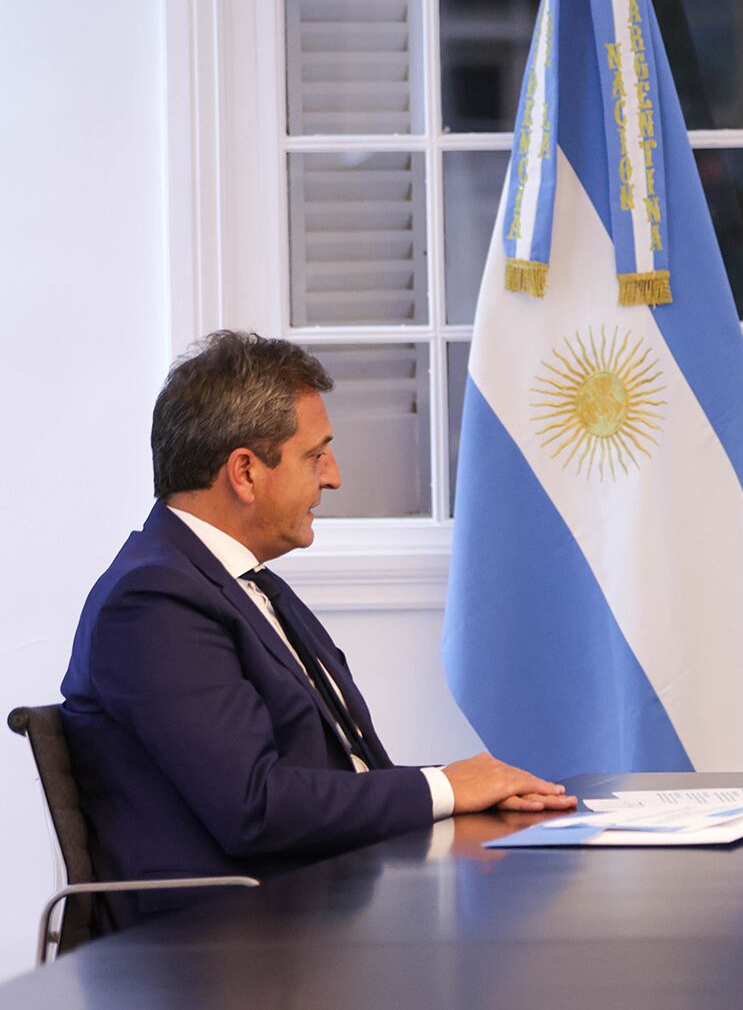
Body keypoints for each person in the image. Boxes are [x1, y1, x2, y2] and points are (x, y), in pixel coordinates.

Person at [61, 331, 576, 923]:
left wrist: (463, 792)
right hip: (226, 953)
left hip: (319, 904)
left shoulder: (235, 584)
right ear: (246, 473)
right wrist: (446, 787)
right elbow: (255, 807)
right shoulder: (152, 603)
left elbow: (337, 771)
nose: (333, 477)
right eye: (315, 455)